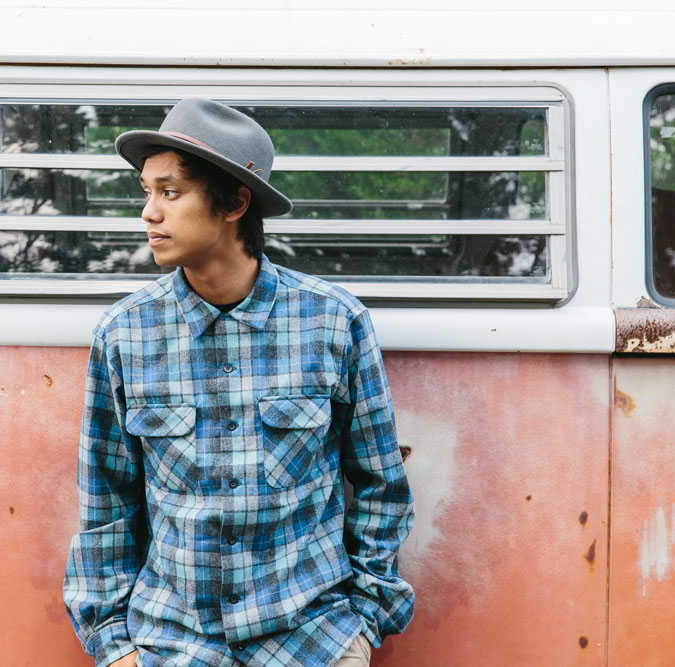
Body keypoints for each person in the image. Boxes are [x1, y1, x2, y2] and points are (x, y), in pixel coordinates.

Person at [63, 98, 414, 667]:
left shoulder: (333, 320)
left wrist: (363, 622)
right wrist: (114, 643)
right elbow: (106, 500)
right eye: (147, 193)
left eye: (170, 192)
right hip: (170, 644)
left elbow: (379, 482)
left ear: (234, 202)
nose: (149, 213)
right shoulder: (125, 332)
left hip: (311, 640)